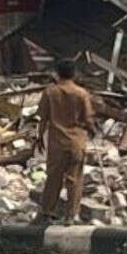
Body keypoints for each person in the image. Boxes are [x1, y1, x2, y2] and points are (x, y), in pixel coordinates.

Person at [36, 59, 96, 223]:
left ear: (57, 73)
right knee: (75, 179)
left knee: (53, 178)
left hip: (57, 143)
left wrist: (39, 137)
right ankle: (71, 215)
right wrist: (92, 131)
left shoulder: (49, 92)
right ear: (74, 74)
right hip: (76, 141)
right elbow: (88, 118)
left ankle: (46, 212)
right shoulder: (81, 93)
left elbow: (43, 118)